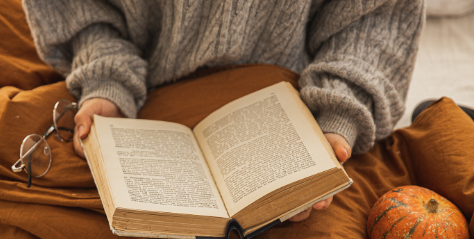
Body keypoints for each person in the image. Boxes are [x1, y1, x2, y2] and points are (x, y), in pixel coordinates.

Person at [21, 0, 424, 222]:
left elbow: (373, 22)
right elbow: (80, 11)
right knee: (33, 215)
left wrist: (336, 119)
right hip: (140, 91)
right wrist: (105, 78)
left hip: (297, 105)